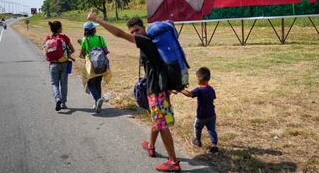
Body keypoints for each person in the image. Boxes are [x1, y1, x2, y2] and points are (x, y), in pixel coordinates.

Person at [87, 10, 181, 172]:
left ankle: (173, 162)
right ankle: (151, 146)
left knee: (161, 123)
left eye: (137, 30)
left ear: (143, 28)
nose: (134, 34)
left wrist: (97, 20)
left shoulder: (145, 40)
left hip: (156, 89)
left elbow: (119, 33)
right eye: (133, 32)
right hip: (158, 87)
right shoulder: (150, 40)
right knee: (156, 119)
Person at [180, 67, 218, 153]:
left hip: (201, 115)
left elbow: (189, 94)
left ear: (200, 79)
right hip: (212, 114)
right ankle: (214, 144)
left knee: (197, 127)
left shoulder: (199, 90)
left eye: (197, 78)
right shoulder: (211, 89)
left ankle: (197, 140)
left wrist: (181, 90)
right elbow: (213, 97)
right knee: (211, 130)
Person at [44, 21, 75, 111]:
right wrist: (66, 54)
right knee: (63, 84)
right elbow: (72, 50)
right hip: (64, 64)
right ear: (59, 29)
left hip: (53, 64)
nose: (62, 28)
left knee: (54, 84)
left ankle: (58, 99)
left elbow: (46, 51)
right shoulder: (64, 37)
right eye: (61, 27)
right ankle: (63, 103)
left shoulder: (48, 38)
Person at [79, 21, 109, 113]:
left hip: (90, 64)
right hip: (101, 64)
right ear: (93, 30)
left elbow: (83, 54)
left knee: (90, 83)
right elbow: (106, 51)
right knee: (98, 84)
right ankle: (97, 104)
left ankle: (97, 99)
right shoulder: (100, 38)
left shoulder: (85, 39)